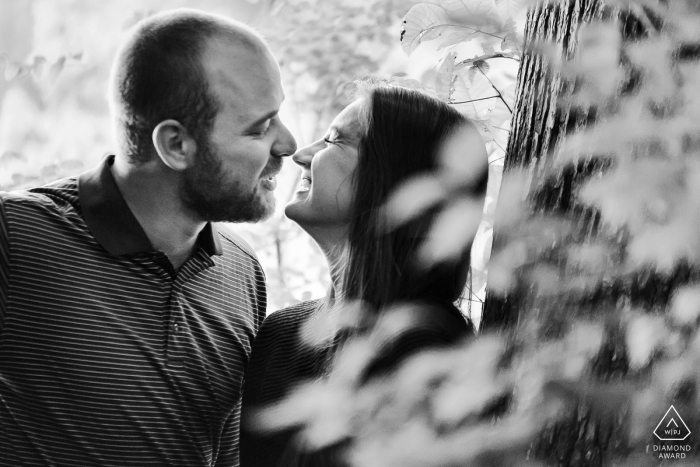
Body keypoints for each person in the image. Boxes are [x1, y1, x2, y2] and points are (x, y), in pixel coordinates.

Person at [0, 9, 295, 467]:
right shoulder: (17, 237)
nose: (289, 144)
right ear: (176, 145)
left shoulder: (241, 272)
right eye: (260, 128)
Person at [240, 79, 488, 467]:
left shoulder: (426, 351)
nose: (302, 155)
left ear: (400, 183)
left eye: (335, 141)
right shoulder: (278, 333)